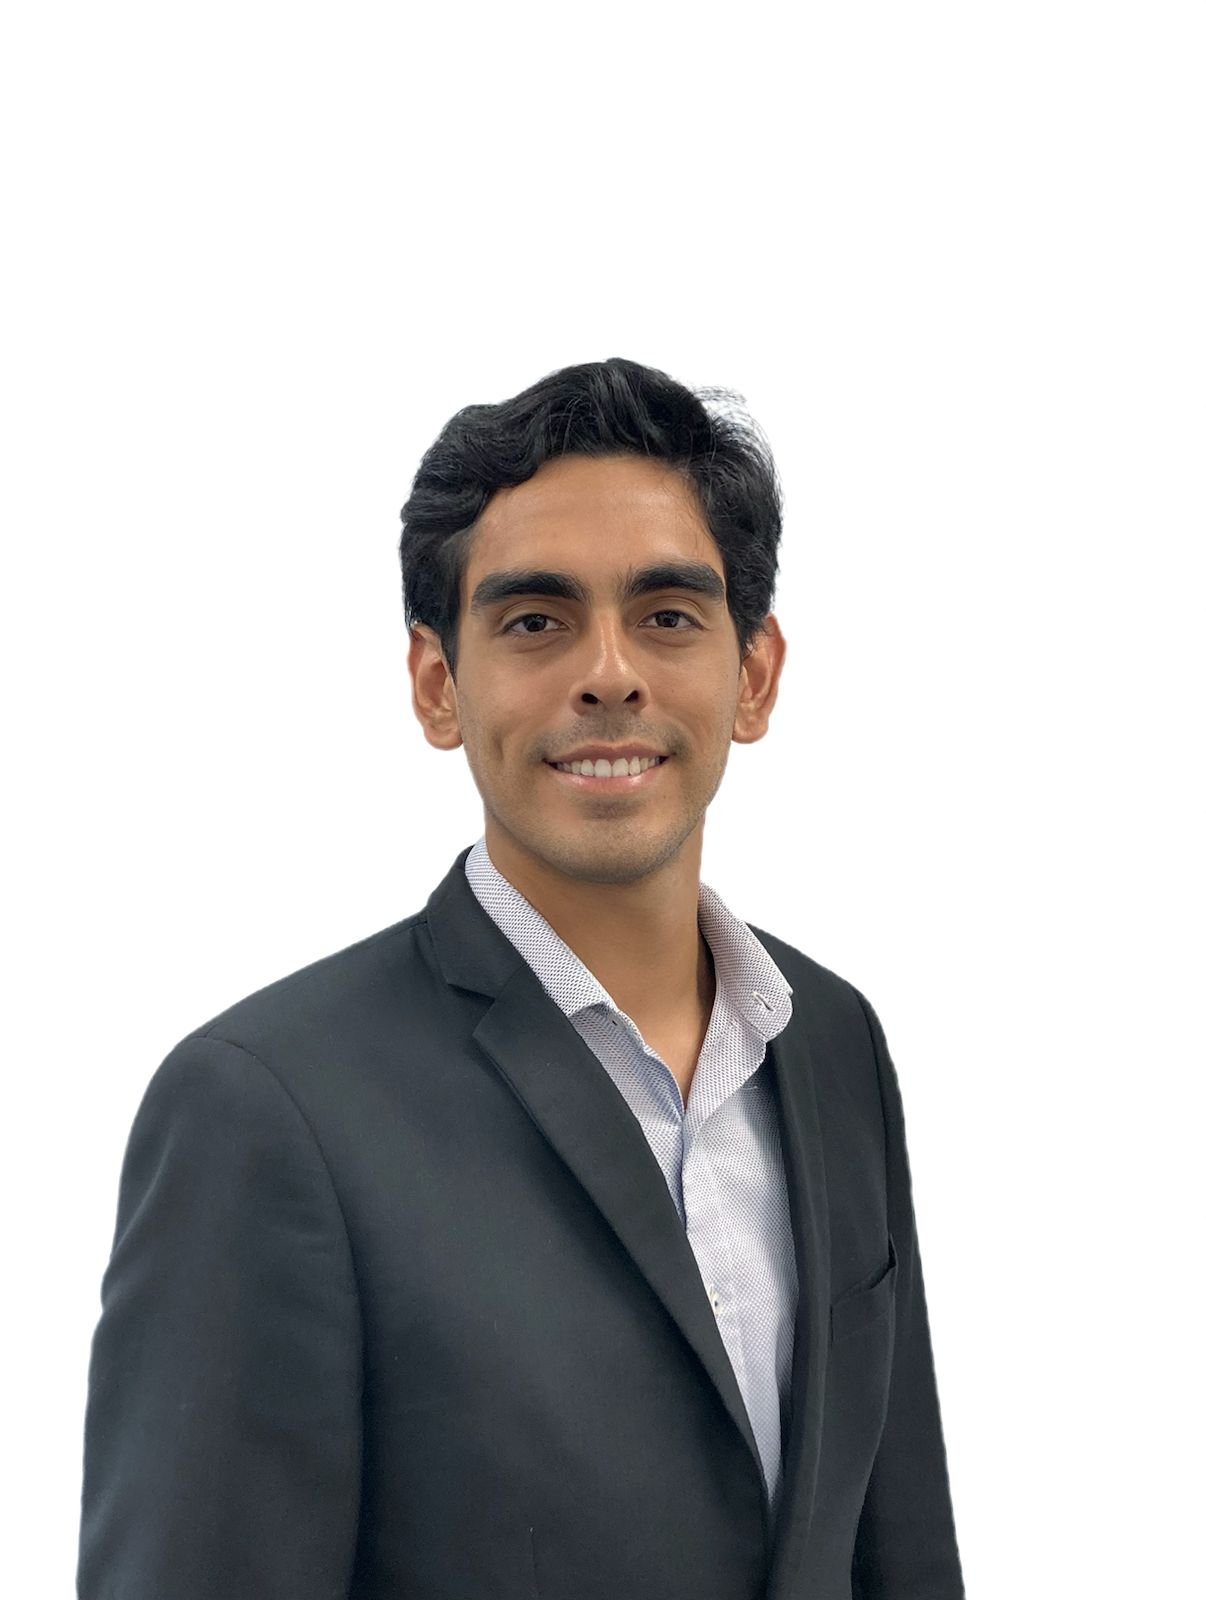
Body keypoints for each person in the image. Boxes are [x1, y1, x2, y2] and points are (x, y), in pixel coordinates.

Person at [77, 357, 965, 1599]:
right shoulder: (264, 1111)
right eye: (536, 621)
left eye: (668, 615)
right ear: (438, 684)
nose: (610, 672)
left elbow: (896, 1550)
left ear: (755, 676)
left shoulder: (832, 1044)